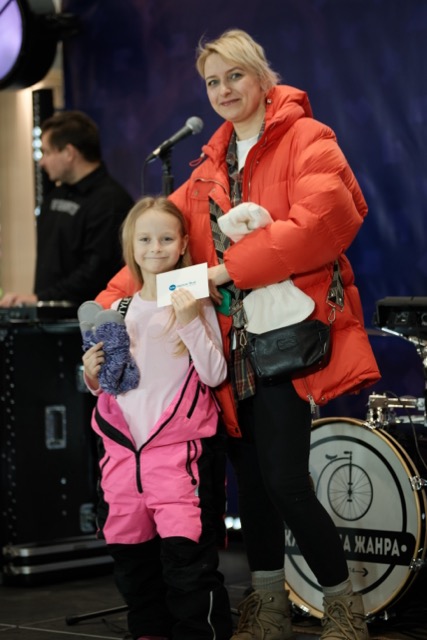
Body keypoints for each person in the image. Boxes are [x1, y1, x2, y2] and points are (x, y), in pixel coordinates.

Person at [95, 29, 381, 640]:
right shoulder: (206, 169)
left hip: (284, 342)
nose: (223, 90)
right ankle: (268, 608)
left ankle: (343, 606)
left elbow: (325, 221)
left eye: (234, 76)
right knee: (250, 487)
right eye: (211, 81)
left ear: (261, 76)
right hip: (227, 350)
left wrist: (225, 271)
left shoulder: (309, 138)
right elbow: (155, 248)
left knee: (285, 482)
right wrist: (104, 310)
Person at [82, 195, 233, 640]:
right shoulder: (120, 310)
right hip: (122, 464)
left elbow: (214, 373)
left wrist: (188, 321)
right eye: (145, 239)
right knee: (133, 567)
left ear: (183, 243)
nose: (155, 248)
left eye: (166, 239)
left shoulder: (193, 303)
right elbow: (111, 385)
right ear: (131, 245)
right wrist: (91, 375)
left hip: (177, 460)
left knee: (188, 565)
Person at [0, 110, 134, 308]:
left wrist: (42, 299)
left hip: (86, 319)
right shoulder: (56, 195)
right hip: (48, 315)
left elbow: (96, 271)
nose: (42, 162)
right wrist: (42, 300)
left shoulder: (112, 201)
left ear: (69, 153)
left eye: (46, 152)